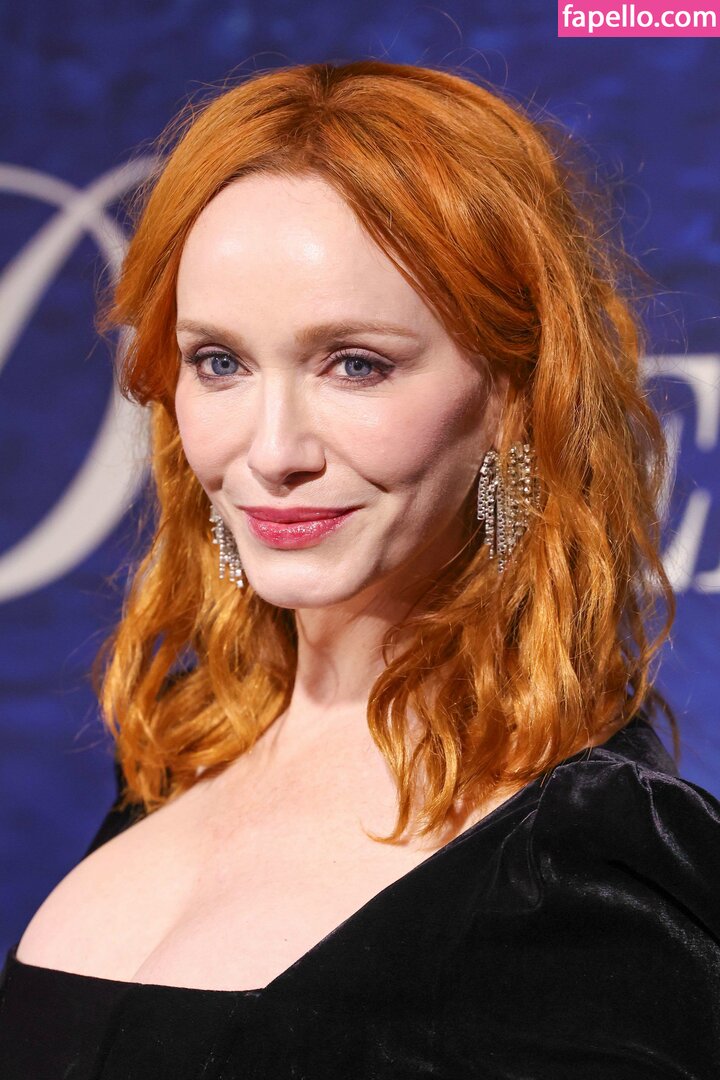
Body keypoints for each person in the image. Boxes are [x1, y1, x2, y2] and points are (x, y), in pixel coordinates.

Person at [0, 58, 718, 1079]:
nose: (272, 450)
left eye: (355, 364)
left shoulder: (592, 862)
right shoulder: (164, 780)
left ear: (514, 397)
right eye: (219, 363)